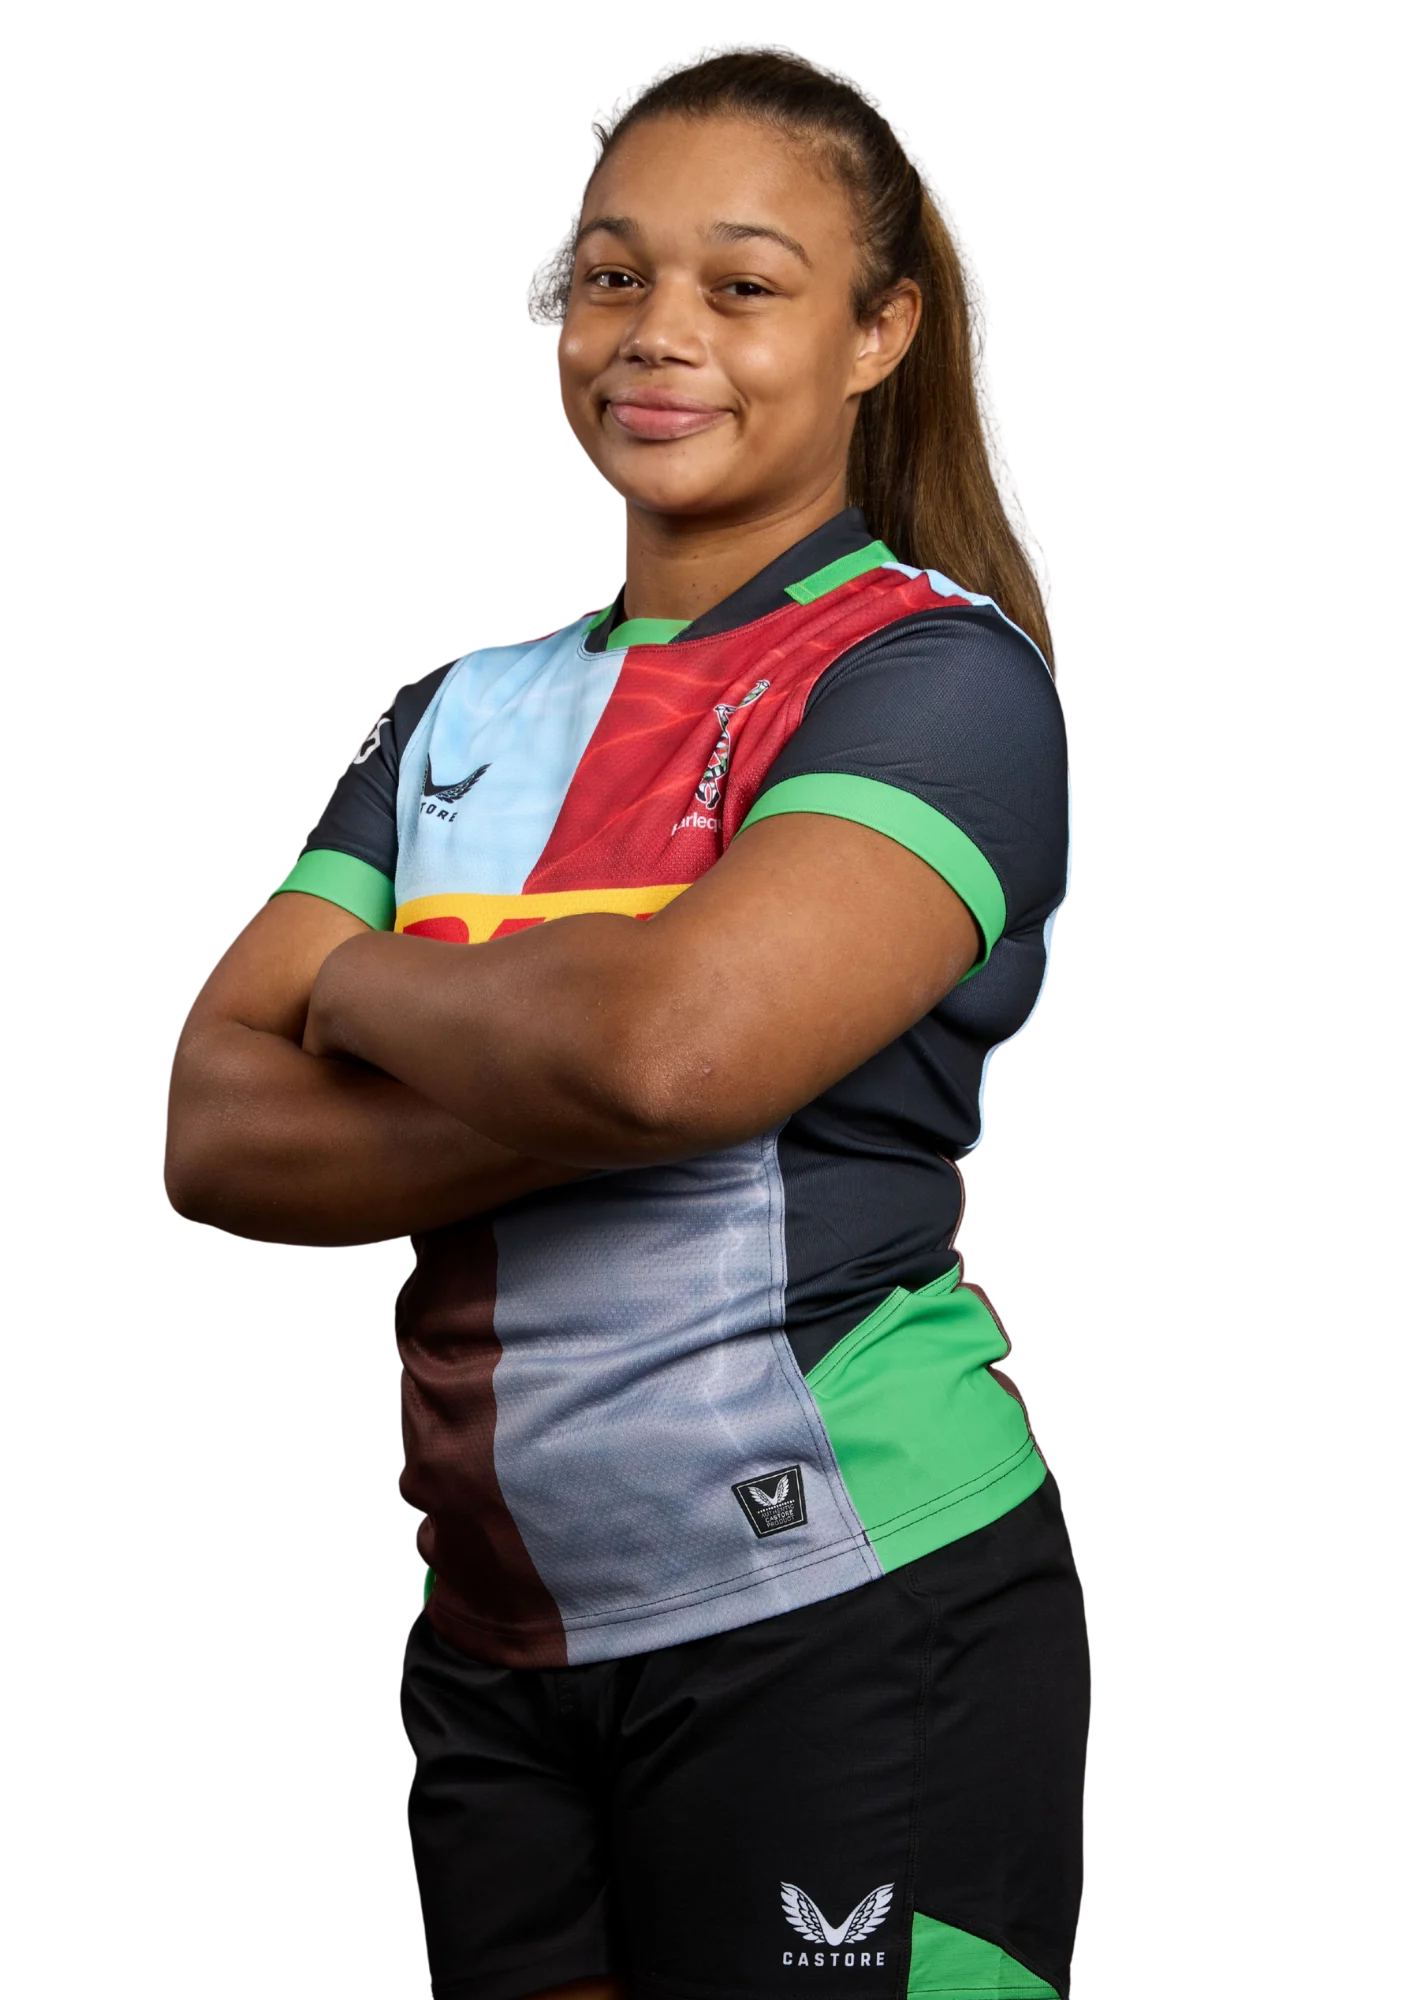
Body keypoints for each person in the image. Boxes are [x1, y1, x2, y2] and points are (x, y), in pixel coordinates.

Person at [164, 44, 1088, 2000]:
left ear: (876, 333)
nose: (657, 332)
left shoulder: (933, 679)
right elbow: (216, 1131)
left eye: (741, 284)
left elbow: (674, 1057)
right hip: (491, 1639)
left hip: (842, 1598)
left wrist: (358, 982)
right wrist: (602, 1057)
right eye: (611, 275)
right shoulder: (453, 710)